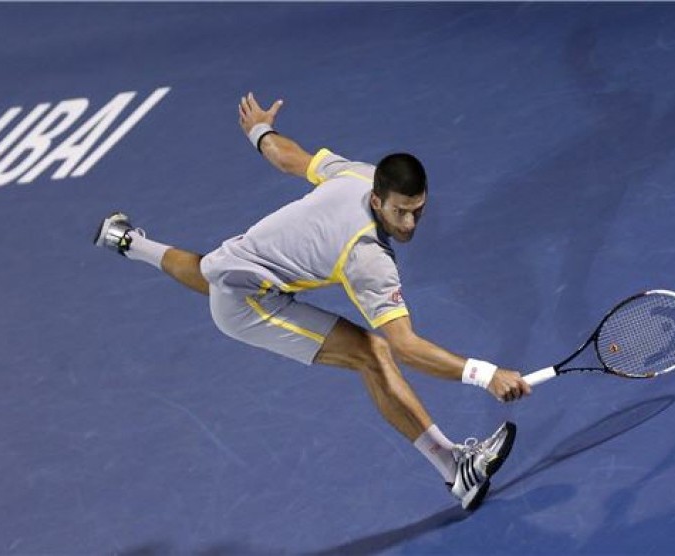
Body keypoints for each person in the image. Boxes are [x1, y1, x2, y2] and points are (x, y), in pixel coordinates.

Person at [93, 92, 532, 511]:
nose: (410, 222)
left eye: (418, 210)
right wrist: (486, 374)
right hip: (248, 303)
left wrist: (259, 130)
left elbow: (287, 157)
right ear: (378, 200)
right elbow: (405, 345)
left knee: (212, 268)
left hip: (239, 263)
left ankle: (127, 242)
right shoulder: (368, 259)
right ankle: (456, 467)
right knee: (373, 353)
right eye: (401, 212)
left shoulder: (358, 174)